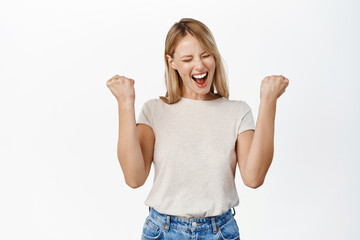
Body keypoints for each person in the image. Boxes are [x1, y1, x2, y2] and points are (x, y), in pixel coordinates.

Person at [106, 18, 289, 240]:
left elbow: (254, 178)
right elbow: (134, 178)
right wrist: (125, 103)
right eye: (187, 59)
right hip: (162, 231)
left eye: (205, 55)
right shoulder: (154, 111)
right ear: (172, 62)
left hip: (219, 232)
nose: (200, 66)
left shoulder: (237, 112)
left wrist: (268, 102)